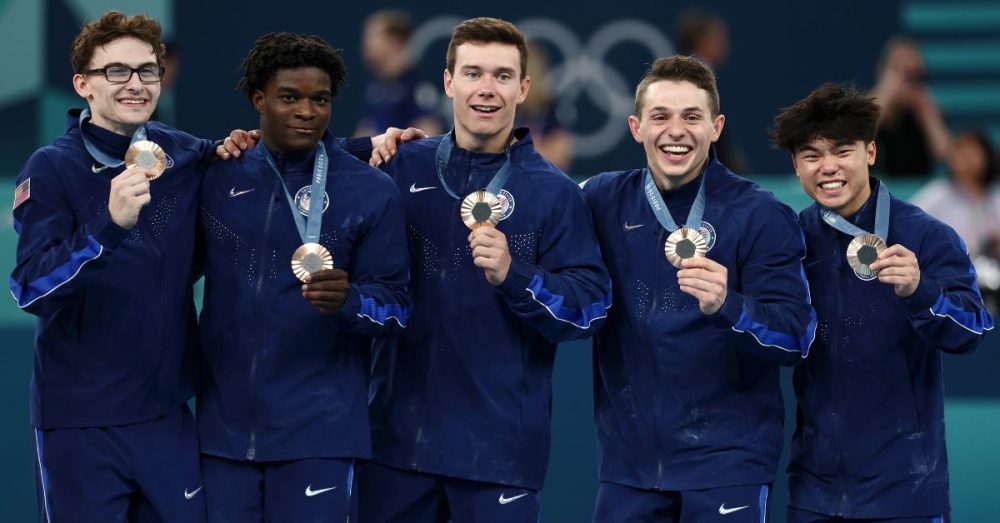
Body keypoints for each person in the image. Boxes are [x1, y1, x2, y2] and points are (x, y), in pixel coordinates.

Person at [360, 17, 612, 523]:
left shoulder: (554, 192)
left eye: (502, 77)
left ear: (523, 87)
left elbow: (589, 309)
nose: (487, 90)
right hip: (394, 449)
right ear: (449, 81)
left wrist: (514, 275)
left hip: (498, 456)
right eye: (473, 73)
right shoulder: (399, 167)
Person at [580, 55, 816, 523]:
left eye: (692, 117)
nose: (676, 131)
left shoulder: (760, 215)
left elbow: (796, 336)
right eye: (660, 117)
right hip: (630, 470)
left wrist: (731, 305)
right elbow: (529, 199)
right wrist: (412, 152)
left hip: (728, 466)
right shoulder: (601, 199)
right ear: (635, 127)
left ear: (716, 127)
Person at [196, 32, 410, 522]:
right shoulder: (218, 176)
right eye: (289, 97)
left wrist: (350, 302)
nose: (307, 112)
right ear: (258, 100)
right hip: (223, 434)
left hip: (321, 436)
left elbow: (397, 306)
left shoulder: (370, 191)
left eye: (321, 100)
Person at [9, 11, 211, 522]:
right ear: (84, 85)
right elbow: (31, 288)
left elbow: (274, 157)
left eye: (148, 71)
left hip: (166, 414)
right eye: (116, 71)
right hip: (81, 424)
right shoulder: (51, 167)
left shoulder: (183, 153)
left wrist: (378, 146)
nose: (136, 84)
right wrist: (109, 226)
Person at [771, 83, 994, 522]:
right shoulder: (790, 241)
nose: (828, 167)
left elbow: (973, 330)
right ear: (796, 166)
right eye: (812, 156)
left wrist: (921, 290)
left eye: (842, 151)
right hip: (814, 492)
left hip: (905, 491)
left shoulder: (926, 235)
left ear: (870, 152)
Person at [871, 36, 951, 177]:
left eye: (913, 74)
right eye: (899, 71)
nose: (905, 82)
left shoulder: (929, 109)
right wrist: (886, 95)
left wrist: (926, 111)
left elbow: (945, 154)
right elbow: (857, 137)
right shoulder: (868, 107)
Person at [354, 9, 441, 138]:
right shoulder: (376, 87)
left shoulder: (416, 86)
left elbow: (430, 133)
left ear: (394, 41)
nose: (366, 44)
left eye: (372, 37)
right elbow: (366, 133)